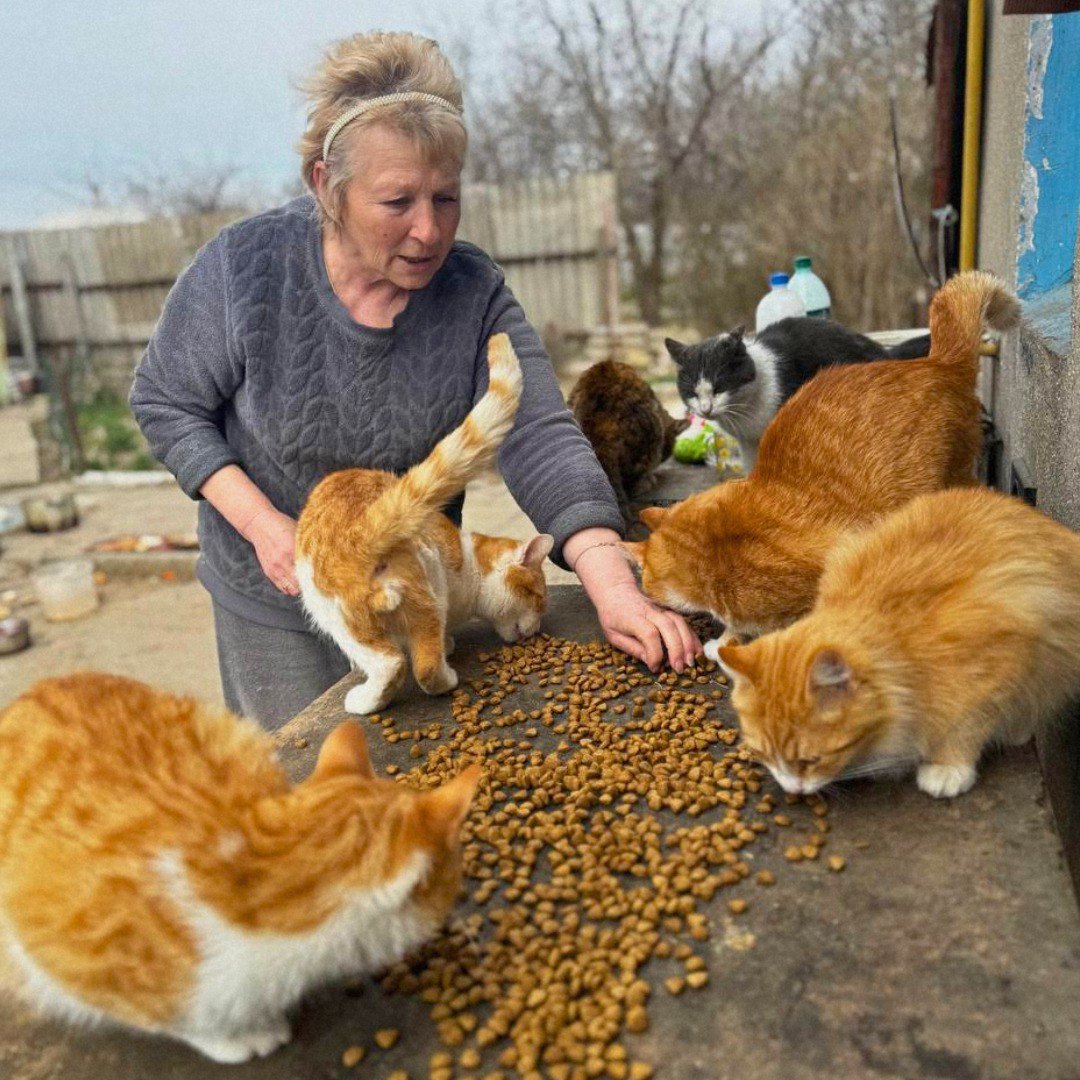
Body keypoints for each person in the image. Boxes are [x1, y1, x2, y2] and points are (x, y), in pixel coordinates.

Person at [131, 30, 701, 729]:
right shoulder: (245, 269)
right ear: (326, 186)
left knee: (412, 784)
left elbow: (543, 437)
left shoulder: (472, 291)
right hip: (275, 599)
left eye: (447, 198)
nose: (429, 232)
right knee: (310, 801)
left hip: (415, 589)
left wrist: (614, 586)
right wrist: (264, 528)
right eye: (397, 202)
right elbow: (165, 402)